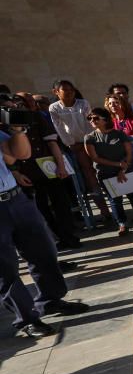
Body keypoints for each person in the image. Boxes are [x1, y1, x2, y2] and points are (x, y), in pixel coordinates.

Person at [0, 113, 88, 338]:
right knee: (5, 268)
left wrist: (17, 130)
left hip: (16, 199)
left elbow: (19, 155)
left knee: (43, 252)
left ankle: (50, 300)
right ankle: (27, 319)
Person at [10, 92, 81, 249]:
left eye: (22, 101)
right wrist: (16, 172)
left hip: (48, 167)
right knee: (40, 208)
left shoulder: (36, 118)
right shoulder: (7, 123)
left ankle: (69, 236)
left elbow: (52, 143)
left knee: (61, 204)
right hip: (27, 171)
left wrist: (61, 166)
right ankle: (55, 239)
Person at [48, 79, 112, 220]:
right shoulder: (54, 108)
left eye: (72, 89)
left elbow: (90, 123)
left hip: (90, 142)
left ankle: (115, 205)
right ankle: (105, 210)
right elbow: (59, 128)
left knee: (103, 171)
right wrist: (71, 143)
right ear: (56, 92)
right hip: (75, 146)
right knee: (89, 175)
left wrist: (88, 141)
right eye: (65, 90)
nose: (70, 93)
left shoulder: (83, 104)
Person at [83, 107, 133, 234]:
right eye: (90, 118)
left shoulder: (119, 134)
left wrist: (123, 168)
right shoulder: (89, 137)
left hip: (126, 169)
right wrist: (117, 164)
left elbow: (129, 152)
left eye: (96, 118)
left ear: (105, 119)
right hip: (106, 172)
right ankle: (122, 224)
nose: (92, 121)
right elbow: (95, 158)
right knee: (115, 200)